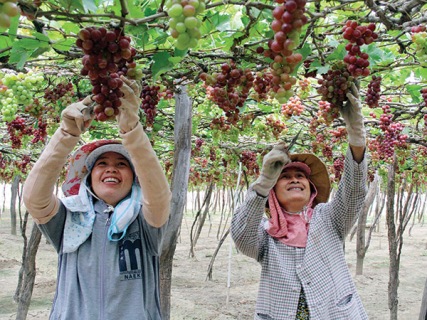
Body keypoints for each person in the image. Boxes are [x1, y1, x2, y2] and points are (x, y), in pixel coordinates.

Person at [23, 77, 171, 320]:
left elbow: (159, 197)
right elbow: (34, 198)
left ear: (134, 179)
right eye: (101, 164)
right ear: (89, 178)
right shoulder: (70, 219)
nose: (111, 169)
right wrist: (66, 134)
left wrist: (132, 132)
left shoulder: (144, 220)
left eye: (122, 164)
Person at [231, 82, 368, 319]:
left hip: (335, 313)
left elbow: (354, 193)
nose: (294, 180)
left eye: (300, 176)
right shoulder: (266, 233)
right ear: (273, 193)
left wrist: (356, 137)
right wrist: (263, 182)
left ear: (311, 189)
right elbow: (241, 235)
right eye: (284, 177)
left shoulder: (329, 218)